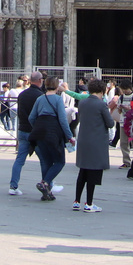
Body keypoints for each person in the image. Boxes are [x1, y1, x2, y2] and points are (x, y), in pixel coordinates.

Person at [28, 75, 73, 202]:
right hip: (53, 133)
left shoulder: (40, 99)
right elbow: (63, 120)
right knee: (59, 161)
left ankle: (46, 192)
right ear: (57, 86)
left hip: (40, 132)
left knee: (47, 161)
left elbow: (31, 117)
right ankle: (45, 182)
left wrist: (37, 126)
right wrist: (69, 136)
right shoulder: (58, 100)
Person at [73, 78, 113, 212]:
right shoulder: (101, 105)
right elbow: (110, 123)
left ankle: (76, 201)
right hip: (96, 142)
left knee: (82, 171)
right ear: (102, 90)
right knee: (93, 173)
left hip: (84, 140)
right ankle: (89, 203)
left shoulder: (83, 103)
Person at [7, 73, 44, 197]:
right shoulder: (40, 96)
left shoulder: (22, 95)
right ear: (39, 81)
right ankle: (48, 183)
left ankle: (13, 186)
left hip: (22, 129)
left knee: (19, 160)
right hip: (35, 131)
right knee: (44, 160)